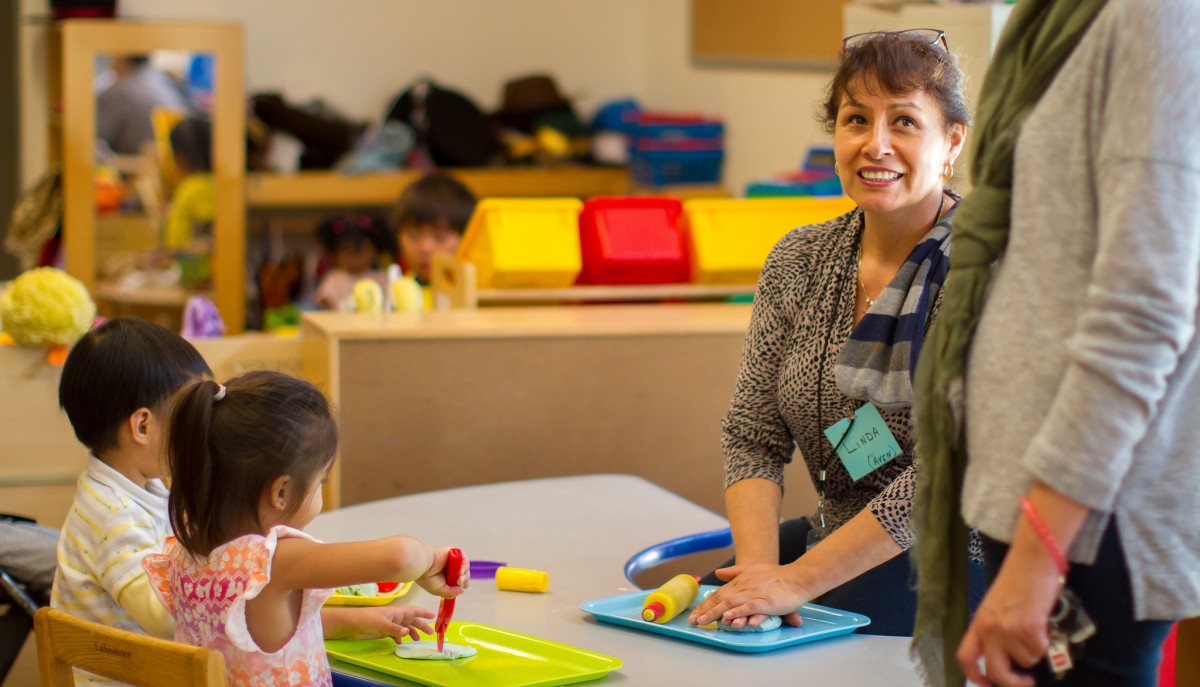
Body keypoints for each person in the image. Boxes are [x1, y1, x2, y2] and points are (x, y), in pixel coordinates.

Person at [911, 1, 1200, 686]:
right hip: (1040, 498)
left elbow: (1145, 311)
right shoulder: (1058, 20)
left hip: (1090, 521)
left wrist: (1043, 551)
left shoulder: (1155, 17)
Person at [689, 29, 979, 637]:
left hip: (962, 558)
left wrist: (793, 583)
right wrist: (760, 572)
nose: (876, 145)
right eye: (856, 120)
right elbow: (753, 434)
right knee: (714, 625)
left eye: (904, 122)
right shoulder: (800, 258)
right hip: (834, 532)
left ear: (951, 141)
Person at [143, 371, 468, 687]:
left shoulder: (185, 550)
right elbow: (402, 557)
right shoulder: (274, 561)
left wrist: (354, 623)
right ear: (281, 493)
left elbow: (246, 636)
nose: (321, 489)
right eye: (321, 481)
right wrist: (430, 561)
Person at [52, 318, 212, 684]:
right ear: (142, 427)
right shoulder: (111, 514)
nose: (201, 432)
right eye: (191, 418)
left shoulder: (147, 483)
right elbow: (162, 616)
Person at [96, 55, 192, 157]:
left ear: (120, 56)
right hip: (177, 161)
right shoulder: (162, 80)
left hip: (137, 166)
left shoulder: (118, 92)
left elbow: (95, 141)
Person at [392, 173, 476, 285]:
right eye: (413, 236)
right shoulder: (395, 293)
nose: (425, 248)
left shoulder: (485, 295)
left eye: (439, 238)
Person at [313, 212, 395, 310]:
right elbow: (322, 300)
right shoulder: (333, 278)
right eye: (343, 249)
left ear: (374, 251)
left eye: (358, 250)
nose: (350, 256)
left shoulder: (380, 278)